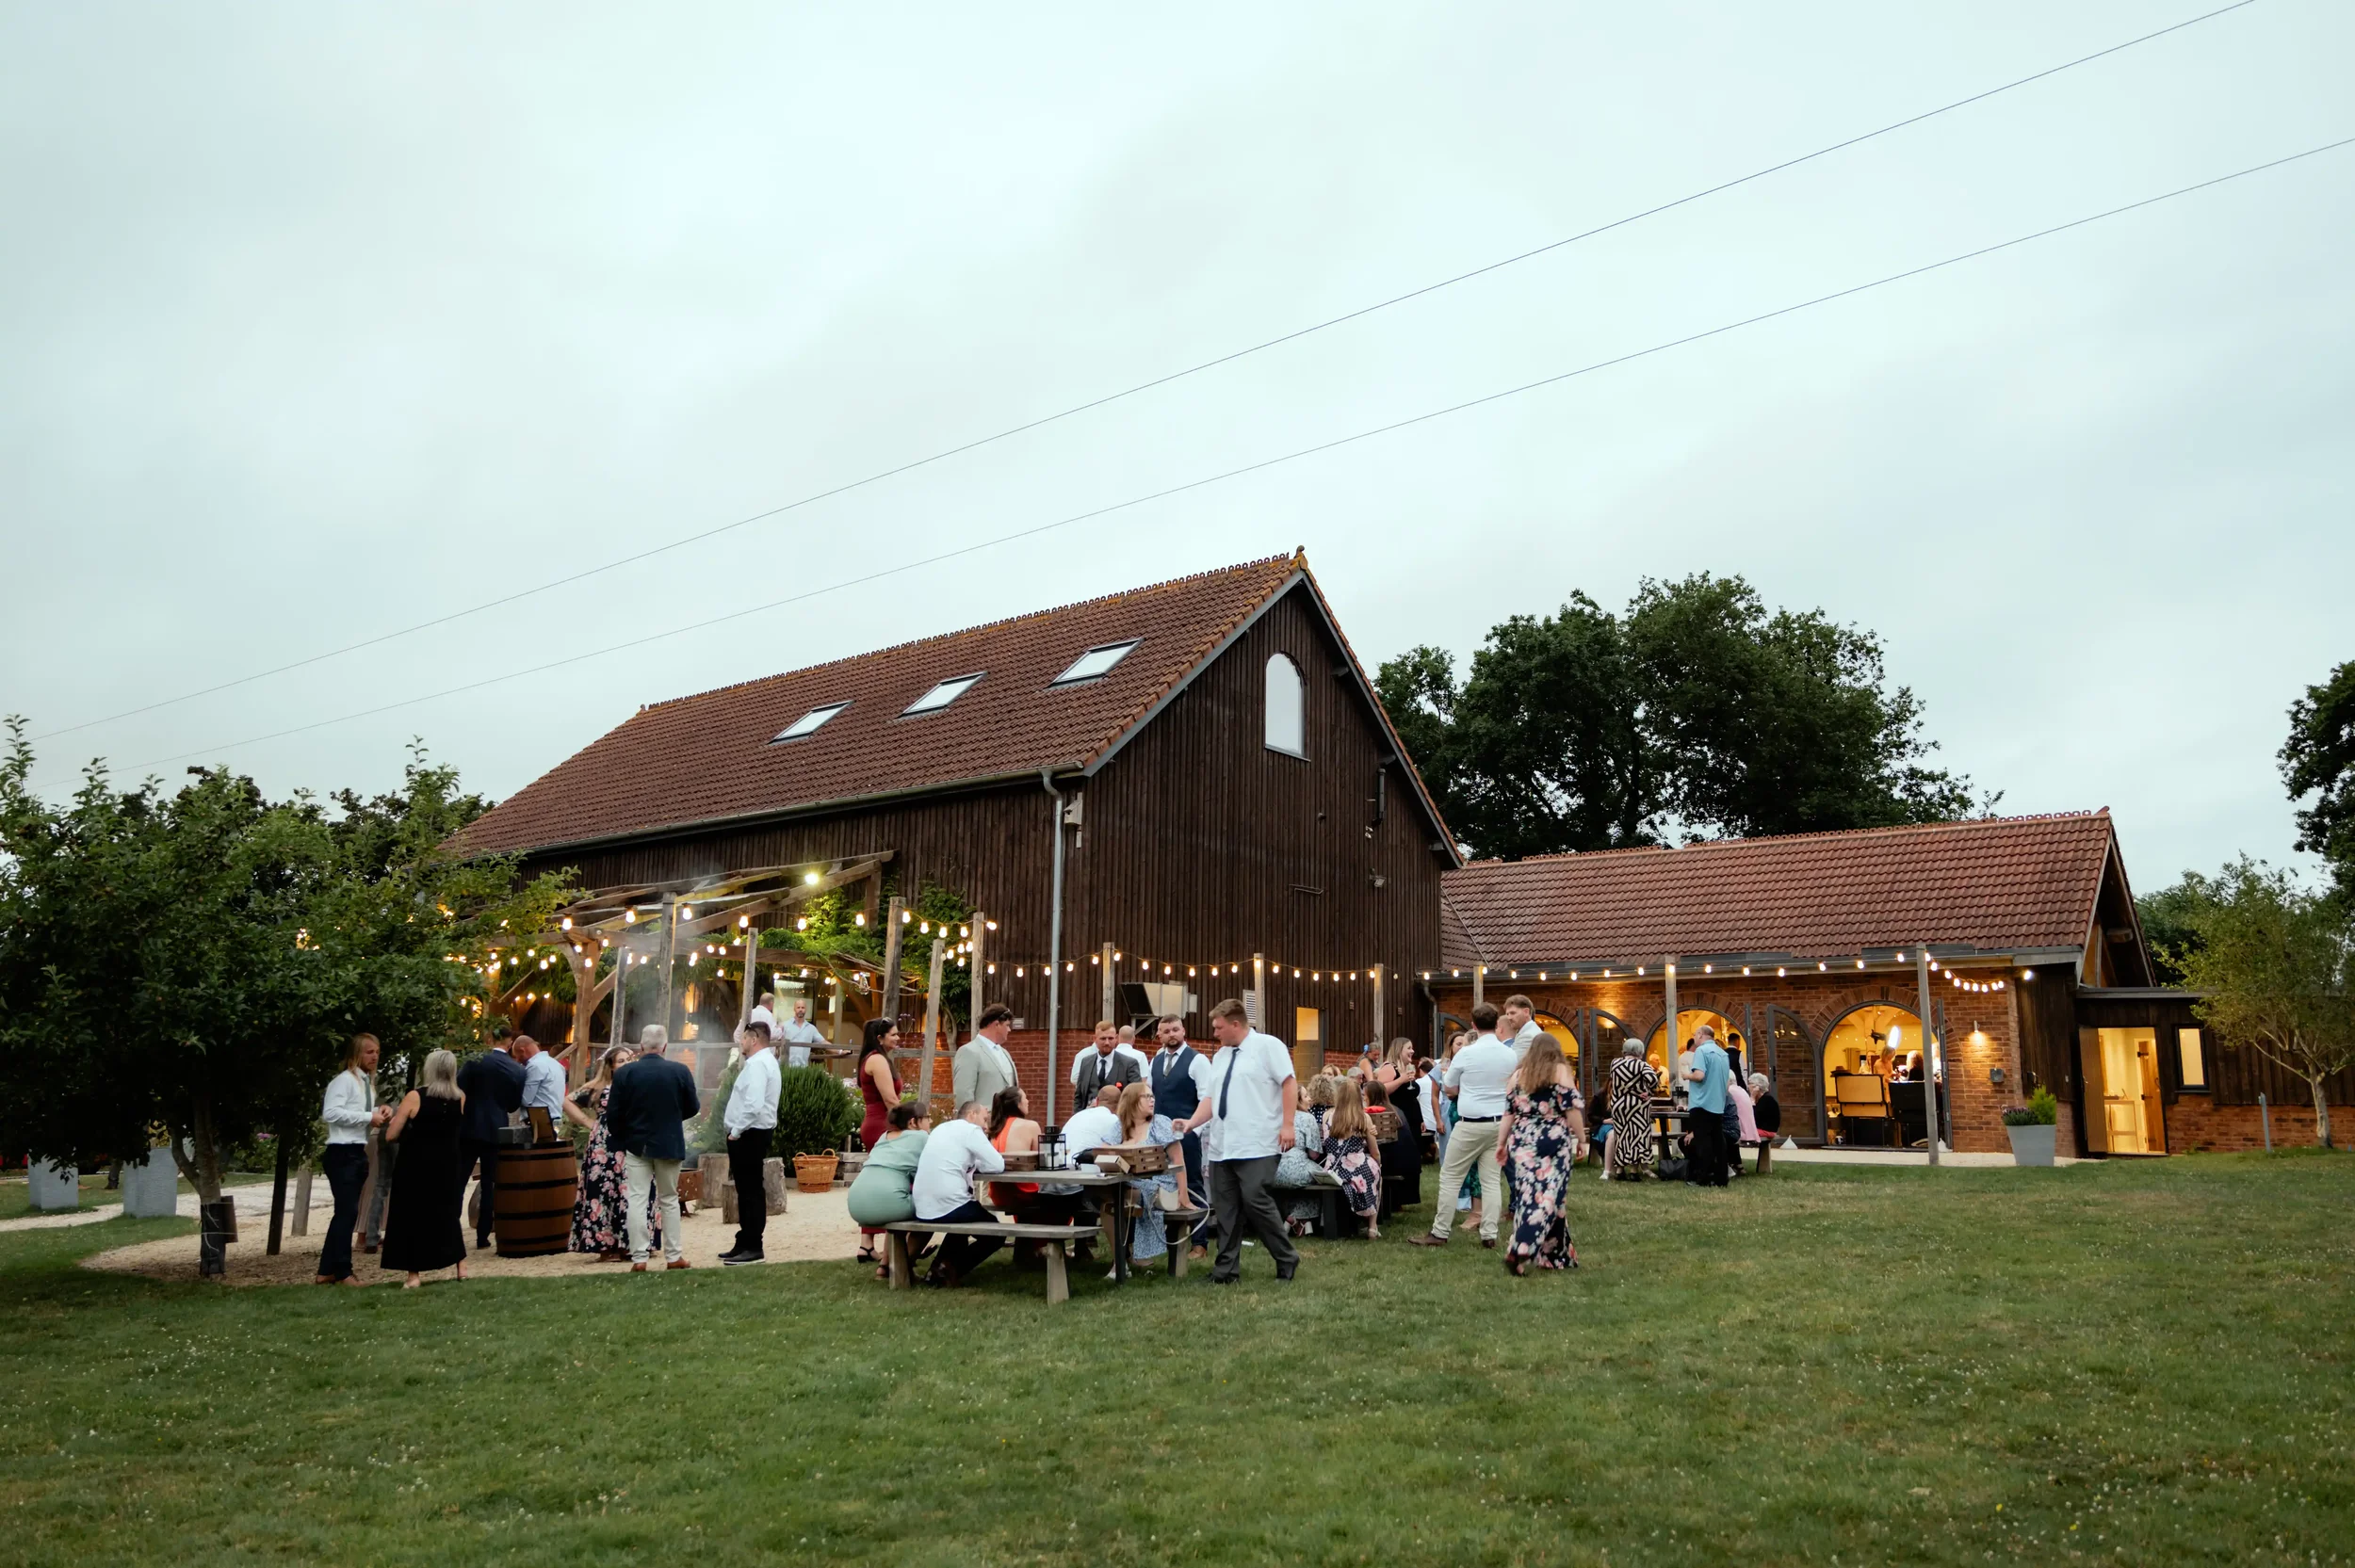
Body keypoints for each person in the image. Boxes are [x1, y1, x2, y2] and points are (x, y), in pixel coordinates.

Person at [1174, 998, 1300, 1284]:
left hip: (1258, 1142)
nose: (1214, 1033)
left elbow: (1289, 1083)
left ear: (1235, 1024)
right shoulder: (1220, 1057)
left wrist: (1288, 1125)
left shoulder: (1269, 1046)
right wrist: (1192, 1123)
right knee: (1226, 1209)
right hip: (1222, 1145)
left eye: (1218, 1027)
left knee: (1256, 1199)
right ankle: (1226, 1270)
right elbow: (1210, 1097)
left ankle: (1286, 1257)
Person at [1411, 1004, 1515, 1249]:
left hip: (1470, 1123)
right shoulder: (1509, 1055)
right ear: (1497, 1025)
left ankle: (1440, 1231)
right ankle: (1489, 1234)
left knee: (1450, 1176)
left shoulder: (1466, 1054)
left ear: (1474, 1025)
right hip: (1499, 1123)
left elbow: (1448, 1087)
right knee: (1490, 1180)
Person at [605, 1025, 701, 1270]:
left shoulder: (626, 1074)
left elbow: (613, 1114)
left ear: (640, 1046)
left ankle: (639, 1258)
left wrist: (624, 1136)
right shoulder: (680, 1071)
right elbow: (693, 1107)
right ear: (665, 1047)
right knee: (669, 1199)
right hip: (669, 1141)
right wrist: (671, 1118)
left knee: (636, 1199)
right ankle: (673, 1256)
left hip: (637, 1143)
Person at [379, 1048, 470, 1287]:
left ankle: (414, 1275)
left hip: (416, 1166)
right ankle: (461, 1266)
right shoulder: (460, 1097)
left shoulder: (415, 1097)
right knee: (448, 1214)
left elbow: (391, 1135)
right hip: (448, 1164)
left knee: (412, 1217)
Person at [1498, 1034, 1581, 1276]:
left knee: (1528, 1195)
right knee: (1549, 1196)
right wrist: (1582, 1138)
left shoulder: (1518, 1075)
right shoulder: (1560, 1071)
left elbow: (1508, 1114)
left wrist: (1501, 1143)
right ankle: (1521, 1247)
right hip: (1552, 1138)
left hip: (1522, 1139)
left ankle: (1555, 1255)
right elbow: (1571, 1108)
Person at [565, 1045, 657, 1261]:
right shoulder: (599, 1086)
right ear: (611, 1066)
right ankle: (606, 1246)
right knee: (603, 1190)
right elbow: (568, 1100)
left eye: (629, 1060)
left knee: (630, 1190)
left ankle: (631, 1243)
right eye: (621, 1061)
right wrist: (588, 1121)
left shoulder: (636, 1083)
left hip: (630, 1140)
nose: (626, 1064)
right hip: (604, 1145)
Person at [317, 1034, 390, 1285]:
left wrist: (379, 1112)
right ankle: (343, 1271)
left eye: (377, 1051)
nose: (374, 1056)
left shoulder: (367, 1083)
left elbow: (362, 1112)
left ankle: (326, 1271)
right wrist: (367, 1116)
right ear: (356, 1054)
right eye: (369, 1052)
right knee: (346, 1212)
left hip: (357, 1150)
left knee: (346, 1212)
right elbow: (331, 1113)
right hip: (342, 1151)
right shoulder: (344, 1081)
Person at [911, 1098, 1007, 1287]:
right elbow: (998, 1165)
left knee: (962, 1225)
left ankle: (940, 1268)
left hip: (923, 1206)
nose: (986, 1126)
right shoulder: (971, 1130)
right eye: (985, 1119)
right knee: (996, 1233)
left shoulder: (941, 1128)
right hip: (950, 1203)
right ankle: (949, 1269)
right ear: (972, 1115)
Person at [1146, 1015, 1213, 1261]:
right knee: (1159, 1185)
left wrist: (1193, 1132)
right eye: (1166, 1031)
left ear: (1183, 1031)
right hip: (1158, 1136)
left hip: (1187, 1134)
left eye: (1175, 1029)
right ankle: (1164, 1240)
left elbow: (1207, 1098)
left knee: (1193, 1186)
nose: (1171, 1034)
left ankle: (1200, 1243)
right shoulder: (1155, 1060)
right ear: (1159, 1035)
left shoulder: (1197, 1060)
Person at [455, 1027, 527, 1250]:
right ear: (510, 1042)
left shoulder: (474, 1061)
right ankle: (483, 1235)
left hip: (469, 1127)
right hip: (496, 1128)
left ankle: (450, 1230)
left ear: (490, 1039)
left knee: (458, 1180)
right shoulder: (517, 1069)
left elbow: (458, 1088)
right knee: (489, 1183)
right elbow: (514, 1104)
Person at [720, 1021, 783, 1266]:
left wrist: (735, 1131)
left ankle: (753, 1245)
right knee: (746, 1190)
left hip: (749, 1133)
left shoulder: (758, 1065)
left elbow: (754, 1105)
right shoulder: (764, 1062)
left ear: (753, 1039)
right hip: (750, 1132)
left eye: (744, 1038)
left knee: (750, 1191)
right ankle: (744, 1240)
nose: (741, 1043)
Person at [848, 1101, 932, 1279]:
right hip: (887, 1202)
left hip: (856, 1201)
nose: (930, 1122)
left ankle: (884, 1267)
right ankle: (901, 1267)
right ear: (913, 1122)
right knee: (932, 1213)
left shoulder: (884, 1136)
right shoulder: (921, 1137)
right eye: (927, 1118)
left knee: (897, 1211)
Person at [1113, 1081, 1187, 1271]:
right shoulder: (1119, 1127)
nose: (1152, 1100)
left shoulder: (1159, 1123)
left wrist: (1184, 1195)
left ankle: (1121, 1262)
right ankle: (1120, 1259)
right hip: (1128, 1183)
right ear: (1131, 1101)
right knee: (1110, 1196)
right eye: (1146, 1096)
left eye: (1152, 1096)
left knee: (1119, 1196)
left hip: (1160, 1185)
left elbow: (1179, 1161)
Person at [850, 1018, 902, 1265]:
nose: (898, 1037)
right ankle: (885, 1246)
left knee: (876, 1182)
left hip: (875, 1124)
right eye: (893, 1034)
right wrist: (914, 1122)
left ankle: (867, 1245)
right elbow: (890, 1099)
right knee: (889, 1183)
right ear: (879, 1038)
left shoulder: (872, 1058)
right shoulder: (877, 1060)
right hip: (882, 1125)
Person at [1318, 1078, 1385, 1239]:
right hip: (1357, 1168)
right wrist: (1378, 1163)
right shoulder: (1363, 1118)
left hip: (1332, 1167)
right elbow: (1375, 1152)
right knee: (1376, 1173)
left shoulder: (1327, 1116)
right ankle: (1372, 1226)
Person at [1372, 1038, 1424, 1214]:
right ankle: (1396, 1199)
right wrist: (1401, 1080)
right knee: (1401, 1157)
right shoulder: (1390, 1068)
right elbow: (1381, 1089)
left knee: (1413, 1156)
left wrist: (1421, 1118)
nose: (1412, 1051)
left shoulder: (1407, 1069)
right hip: (1397, 1120)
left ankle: (1407, 1197)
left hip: (1412, 1119)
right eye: (1409, 1048)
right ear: (1399, 1049)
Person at [1683, 1024, 1730, 1188]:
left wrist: (1687, 1075)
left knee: (1703, 1143)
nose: (1695, 1038)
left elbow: (1699, 1075)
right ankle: (1721, 1178)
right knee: (1718, 1141)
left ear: (1701, 1035)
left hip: (1701, 1103)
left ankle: (1703, 1178)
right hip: (1717, 1103)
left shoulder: (1701, 1051)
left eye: (1696, 1034)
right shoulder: (1723, 1054)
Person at [953, 1004, 1020, 1113]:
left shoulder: (1005, 1053)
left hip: (1008, 1122)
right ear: (997, 1024)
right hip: (985, 1123)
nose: (1009, 1030)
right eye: (1007, 1025)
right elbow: (963, 1094)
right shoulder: (969, 1051)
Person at [1607, 1039, 1658, 1180]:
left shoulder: (1614, 1063)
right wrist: (1649, 1092)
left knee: (1621, 1137)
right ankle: (1634, 1172)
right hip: (1637, 1106)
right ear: (1639, 1051)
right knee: (1637, 1137)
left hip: (1618, 1104)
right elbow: (1654, 1080)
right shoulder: (1642, 1065)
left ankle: (1619, 1171)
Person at [1072, 1020, 1144, 1105]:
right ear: (1095, 1039)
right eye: (1103, 1038)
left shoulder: (1129, 1064)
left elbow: (1136, 1096)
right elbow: (1079, 1097)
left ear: (1116, 1039)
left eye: (1110, 1038)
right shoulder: (1086, 1062)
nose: (1107, 1042)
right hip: (1089, 1115)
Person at [514, 1034, 566, 1139]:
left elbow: (525, 1099)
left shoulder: (535, 1066)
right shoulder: (557, 1065)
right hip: (557, 1118)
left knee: (537, 1153)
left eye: (518, 1057)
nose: (518, 1061)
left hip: (538, 1122)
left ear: (523, 1050)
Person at [1725, 1065, 1759, 1178]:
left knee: (1723, 1132)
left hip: (1741, 1130)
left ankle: (1728, 1166)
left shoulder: (1729, 1091)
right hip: (1749, 1129)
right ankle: (1737, 1165)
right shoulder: (1741, 1090)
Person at [777, 998, 827, 1070]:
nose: (800, 1009)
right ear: (794, 1009)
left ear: (806, 1009)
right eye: (798, 1007)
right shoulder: (785, 1025)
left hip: (802, 1069)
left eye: (803, 1007)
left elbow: (823, 1042)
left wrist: (839, 1051)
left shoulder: (811, 1028)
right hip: (785, 1068)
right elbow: (775, 1040)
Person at [1500, 994, 1543, 1062]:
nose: (1509, 1018)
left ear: (1526, 1012)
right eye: (1507, 1014)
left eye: (1513, 1013)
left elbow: (1513, 1064)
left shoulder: (1527, 1036)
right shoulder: (1526, 1032)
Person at [1750, 1074, 1782, 1143]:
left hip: (1766, 1131)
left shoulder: (1766, 1100)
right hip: (1767, 1129)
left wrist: (1752, 1098)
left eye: (1750, 1084)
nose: (1748, 1086)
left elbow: (1752, 1116)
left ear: (1757, 1087)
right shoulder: (1765, 1098)